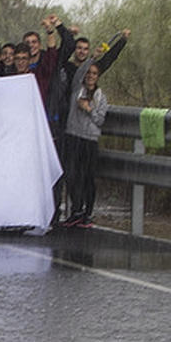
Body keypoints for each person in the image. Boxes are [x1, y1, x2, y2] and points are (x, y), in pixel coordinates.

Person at [61, 63, 108, 227]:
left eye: (94, 73)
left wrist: (88, 109)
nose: (90, 76)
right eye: (88, 73)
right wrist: (93, 58)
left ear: (98, 76)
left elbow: (100, 120)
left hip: (90, 139)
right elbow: (79, 73)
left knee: (88, 176)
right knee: (72, 174)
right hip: (74, 135)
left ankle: (88, 213)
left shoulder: (101, 96)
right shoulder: (77, 90)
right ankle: (76, 209)